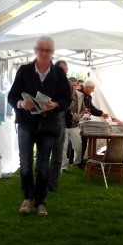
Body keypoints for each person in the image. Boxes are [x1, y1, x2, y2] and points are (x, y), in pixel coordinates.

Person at [7, 36, 71, 216]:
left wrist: (56, 104)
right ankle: (28, 198)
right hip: (26, 124)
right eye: (41, 50)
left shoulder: (58, 74)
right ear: (36, 51)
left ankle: (41, 202)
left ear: (51, 53)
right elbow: (12, 96)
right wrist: (21, 104)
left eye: (48, 50)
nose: (44, 53)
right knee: (26, 164)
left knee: (43, 165)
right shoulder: (25, 70)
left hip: (48, 125)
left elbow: (67, 99)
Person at [48, 60, 74, 191]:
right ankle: (42, 182)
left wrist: (58, 105)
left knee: (58, 153)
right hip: (45, 120)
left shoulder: (68, 84)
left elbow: (69, 102)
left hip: (59, 120)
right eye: (63, 71)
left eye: (66, 72)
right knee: (44, 153)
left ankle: (52, 183)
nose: (65, 74)